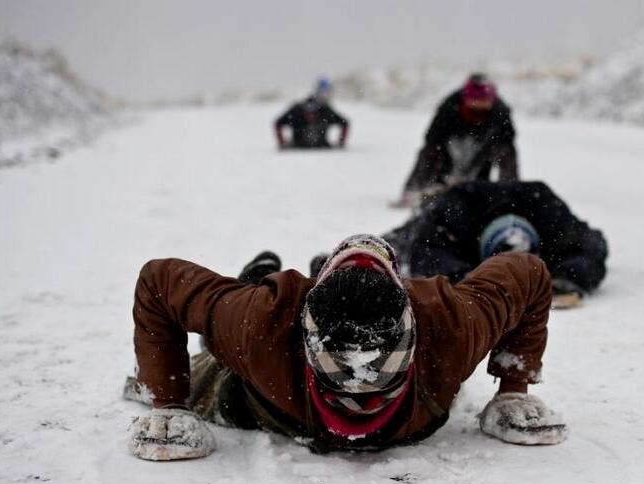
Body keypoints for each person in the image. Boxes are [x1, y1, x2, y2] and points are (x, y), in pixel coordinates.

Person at [124, 234, 566, 461]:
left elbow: (528, 272)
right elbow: (159, 282)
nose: (360, 392)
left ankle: (300, 273)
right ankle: (256, 274)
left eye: (380, 376)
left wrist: (514, 389)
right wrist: (169, 402)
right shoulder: (258, 322)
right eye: (341, 376)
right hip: (258, 391)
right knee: (213, 358)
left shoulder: (452, 324)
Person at [383, 181, 608, 309]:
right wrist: (467, 278)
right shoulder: (457, 211)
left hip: (522, 198)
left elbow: (590, 244)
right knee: (395, 246)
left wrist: (568, 277)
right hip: (454, 200)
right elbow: (426, 251)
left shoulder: (549, 214)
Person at [394, 73, 519, 208]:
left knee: (506, 151)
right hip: (447, 157)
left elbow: (508, 140)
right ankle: (413, 190)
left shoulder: (500, 113)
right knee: (430, 151)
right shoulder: (449, 108)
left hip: (481, 161)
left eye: (483, 101)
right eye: (475, 100)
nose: (478, 105)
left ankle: (509, 192)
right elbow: (432, 139)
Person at [273, 77, 349, 150]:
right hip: (297, 149)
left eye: (313, 112)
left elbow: (345, 123)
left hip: (321, 149)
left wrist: (341, 143)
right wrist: (281, 143)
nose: (310, 115)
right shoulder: (296, 111)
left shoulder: (325, 110)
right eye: (308, 112)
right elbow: (278, 123)